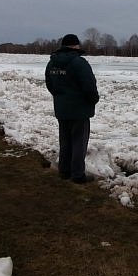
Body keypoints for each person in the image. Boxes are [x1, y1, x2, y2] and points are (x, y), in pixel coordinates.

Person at [45, 34, 100, 184]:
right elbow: (89, 87)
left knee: (65, 141)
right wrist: (94, 99)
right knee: (78, 143)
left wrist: (61, 98)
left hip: (62, 110)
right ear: (76, 46)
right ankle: (77, 175)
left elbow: (50, 85)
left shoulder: (52, 64)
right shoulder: (79, 63)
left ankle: (64, 171)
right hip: (79, 111)